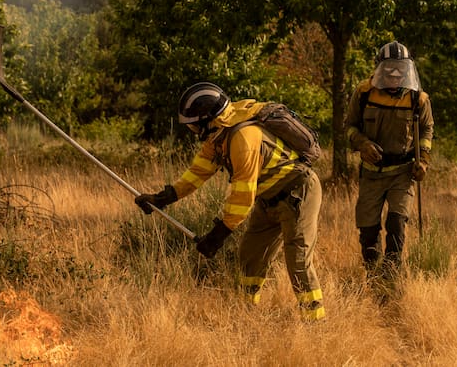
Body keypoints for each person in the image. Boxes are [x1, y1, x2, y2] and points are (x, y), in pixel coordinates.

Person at [134, 82, 325, 321]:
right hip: (268, 199)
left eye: (194, 124)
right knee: (250, 255)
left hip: (298, 193)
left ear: (208, 120)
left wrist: (218, 235)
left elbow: (242, 197)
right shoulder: (218, 139)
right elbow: (195, 175)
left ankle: (315, 320)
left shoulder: (244, 138)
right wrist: (162, 198)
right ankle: (246, 312)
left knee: (297, 257)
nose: (192, 130)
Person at [346, 41, 434, 276]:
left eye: (400, 68)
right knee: (368, 229)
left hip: (402, 173)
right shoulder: (364, 93)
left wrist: (423, 160)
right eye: (389, 68)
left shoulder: (418, 99)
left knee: (396, 222)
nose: (395, 74)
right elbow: (349, 126)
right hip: (371, 173)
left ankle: (391, 274)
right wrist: (362, 144)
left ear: (408, 70)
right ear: (380, 69)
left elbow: (426, 130)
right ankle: (373, 273)